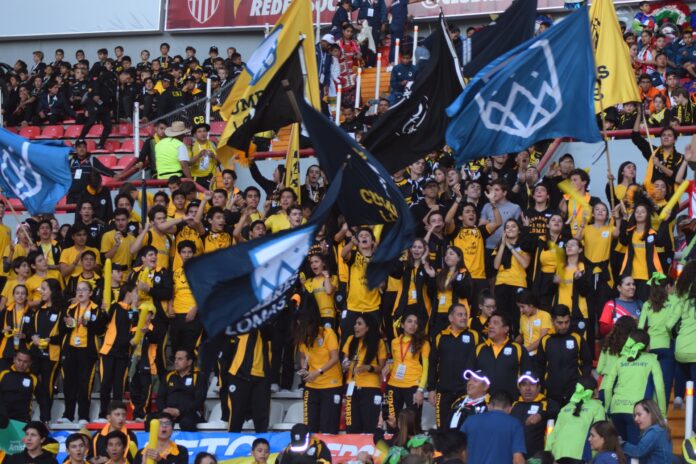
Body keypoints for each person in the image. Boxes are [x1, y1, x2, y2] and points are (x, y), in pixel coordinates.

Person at [602, 329, 666, 444]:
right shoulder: (652, 360)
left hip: (616, 410)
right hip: (638, 413)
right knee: (635, 451)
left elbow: (608, 388)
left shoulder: (620, 360)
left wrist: (608, 409)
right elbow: (660, 388)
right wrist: (662, 414)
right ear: (647, 346)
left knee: (621, 450)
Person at [428, 303, 480, 430]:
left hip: (465, 391)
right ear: (451, 318)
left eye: (465, 315)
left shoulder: (474, 335)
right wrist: (431, 389)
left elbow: (481, 361)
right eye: (460, 315)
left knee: (463, 429)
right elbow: (433, 363)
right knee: (442, 429)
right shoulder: (440, 336)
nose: (464, 317)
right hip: (444, 391)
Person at [58, 281, 101, 425]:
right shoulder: (69, 309)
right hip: (70, 349)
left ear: (90, 293)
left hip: (87, 351)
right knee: (69, 382)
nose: (80, 292)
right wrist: (68, 324)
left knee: (85, 384)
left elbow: (100, 329)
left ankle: (83, 415)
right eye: (78, 290)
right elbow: (61, 329)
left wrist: (87, 323)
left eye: (84, 289)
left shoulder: (96, 309)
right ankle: (68, 414)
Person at [295, 306, 342, 434]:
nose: (300, 328)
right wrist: (304, 369)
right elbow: (303, 357)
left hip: (331, 385)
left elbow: (335, 358)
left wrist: (318, 372)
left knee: (329, 428)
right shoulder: (303, 337)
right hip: (311, 387)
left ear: (310, 324)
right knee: (310, 428)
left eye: (302, 325)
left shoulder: (328, 333)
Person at [536, 304, 593, 405]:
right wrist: (543, 387)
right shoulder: (545, 340)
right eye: (560, 323)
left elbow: (587, 362)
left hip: (575, 392)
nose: (564, 326)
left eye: (567, 322)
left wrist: (582, 383)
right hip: (552, 392)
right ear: (552, 321)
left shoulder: (577, 338)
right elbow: (540, 366)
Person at [341, 313, 387, 434]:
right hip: (351, 387)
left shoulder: (378, 343)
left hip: (370, 388)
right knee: (351, 428)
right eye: (355, 324)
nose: (355, 326)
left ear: (368, 328)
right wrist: (345, 365)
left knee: (370, 428)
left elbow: (381, 367)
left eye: (359, 324)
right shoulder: (351, 340)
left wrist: (368, 367)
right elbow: (345, 360)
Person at [27, 278, 64, 423]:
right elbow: (31, 329)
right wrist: (33, 337)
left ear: (52, 291)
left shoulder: (62, 310)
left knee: (48, 386)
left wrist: (50, 340)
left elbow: (64, 333)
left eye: (44, 289)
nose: (40, 291)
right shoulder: (38, 310)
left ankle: (45, 419)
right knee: (32, 382)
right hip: (35, 353)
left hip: (52, 355)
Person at [545, 377, 606, 463]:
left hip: (558, 455)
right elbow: (599, 434)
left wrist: (547, 454)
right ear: (596, 391)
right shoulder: (598, 408)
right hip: (580, 457)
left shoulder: (565, 408)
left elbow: (553, 434)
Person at [385, 311, 429, 425]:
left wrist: (420, 390)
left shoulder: (423, 343)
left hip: (412, 386)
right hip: (393, 385)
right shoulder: (394, 342)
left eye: (415, 322)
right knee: (391, 422)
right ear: (402, 325)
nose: (413, 325)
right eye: (409, 321)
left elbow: (426, 368)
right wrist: (388, 366)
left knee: (414, 424)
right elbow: (396, 361)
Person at [474, 311, 530, 399]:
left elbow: (527, 376)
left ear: (506, 329)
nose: (490, 326)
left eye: (495, 323)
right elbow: (470, 375)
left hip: (510, 401)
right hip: (483, 402)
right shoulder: (479, 348)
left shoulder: (518, 349)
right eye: (489, 323)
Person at [460, 391, 526, 464]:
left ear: (488, 406)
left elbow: (459, 451)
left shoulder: (470, 420)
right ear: (510, 409)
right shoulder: (515, 424)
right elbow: (518, 459)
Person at [510, 371, 558, 458]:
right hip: (515, 456)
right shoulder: (514, 405)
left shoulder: (546, 403)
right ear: (519, 388)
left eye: (532, 384)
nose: (527, 388)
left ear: (539, 387)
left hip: (537, 457)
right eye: (524, 384)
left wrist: (540, 416)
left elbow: (556, 411)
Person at [157, 349, 206, 431]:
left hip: (190, 412)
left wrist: (179, 411)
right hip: (168, 413)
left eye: (180, 359)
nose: (176, 362)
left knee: (187, 422)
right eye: (175, 359)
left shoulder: (199, 376)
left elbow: (199, 400)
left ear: (189, 362)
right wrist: (164, 410)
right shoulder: (168, 376)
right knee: (150, 420)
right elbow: (160, 397)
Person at [623, 399, 673, 463]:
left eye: (639, 415)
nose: (635, 419)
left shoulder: (655, 431)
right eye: (635, 416)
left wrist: (620, 444)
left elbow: (638, 451)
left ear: (651, 413)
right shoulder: (661, 430)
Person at [0, 350, 37, 423]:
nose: (21, 364)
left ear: (30, 363)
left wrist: (45, 419)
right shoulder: (3, 374)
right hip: (2, 418)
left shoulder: (33, 378)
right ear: (14, 360)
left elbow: (43, 399)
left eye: (25, 362)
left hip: (22, 419)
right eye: (19, 360)